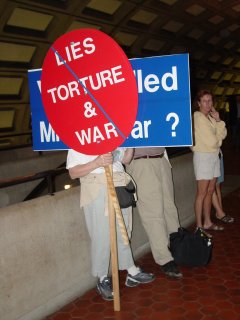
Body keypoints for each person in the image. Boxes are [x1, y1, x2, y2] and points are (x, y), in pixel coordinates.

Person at [66, 147, 155, 301]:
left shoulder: (114, 134)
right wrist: (97, 162)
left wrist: (132, 145)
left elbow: (126, 160)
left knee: (123, 231)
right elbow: (73, 173)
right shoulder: (80, 139)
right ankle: (102, 278)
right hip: (96, 187)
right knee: (101, 235)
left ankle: (131, 270)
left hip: (119, 183)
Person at [126, 147, 183, 279]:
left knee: (169, 208)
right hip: (141, 161)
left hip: (161, 158)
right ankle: (164, 258)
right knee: (152, 214)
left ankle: (177, 245)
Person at [192, 89, 227, 236]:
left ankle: (207, 222)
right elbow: (214, 142)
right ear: (199, 103)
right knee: (201, 193)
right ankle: (199, 227)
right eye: (205, 101)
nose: (208, 104)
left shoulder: (211, 118)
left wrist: (219, 120)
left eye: (210, 101)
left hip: (213, 156)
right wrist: (218, 139)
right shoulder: (198, 117)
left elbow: (224, 134)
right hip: (203, 157)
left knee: (210, 191)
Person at [212, 149, 234, 223]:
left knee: (217, 185)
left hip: (218, 154)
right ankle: (220, 213)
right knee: (211, 187)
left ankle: (220, 211)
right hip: (208, 156)